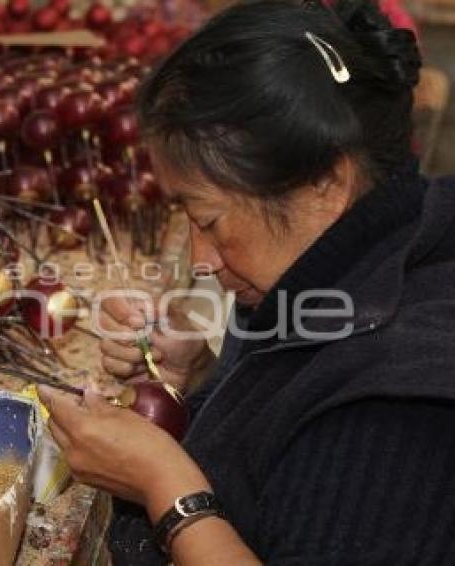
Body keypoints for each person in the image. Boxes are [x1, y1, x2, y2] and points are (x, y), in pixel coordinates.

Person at [37, 0, 455, 563]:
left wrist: (167, 488)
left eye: (208, 221)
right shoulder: (339, 269)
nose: (202, 259)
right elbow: (286, 422)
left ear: (324, 186)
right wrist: (200, 376)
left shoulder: (397, 408)